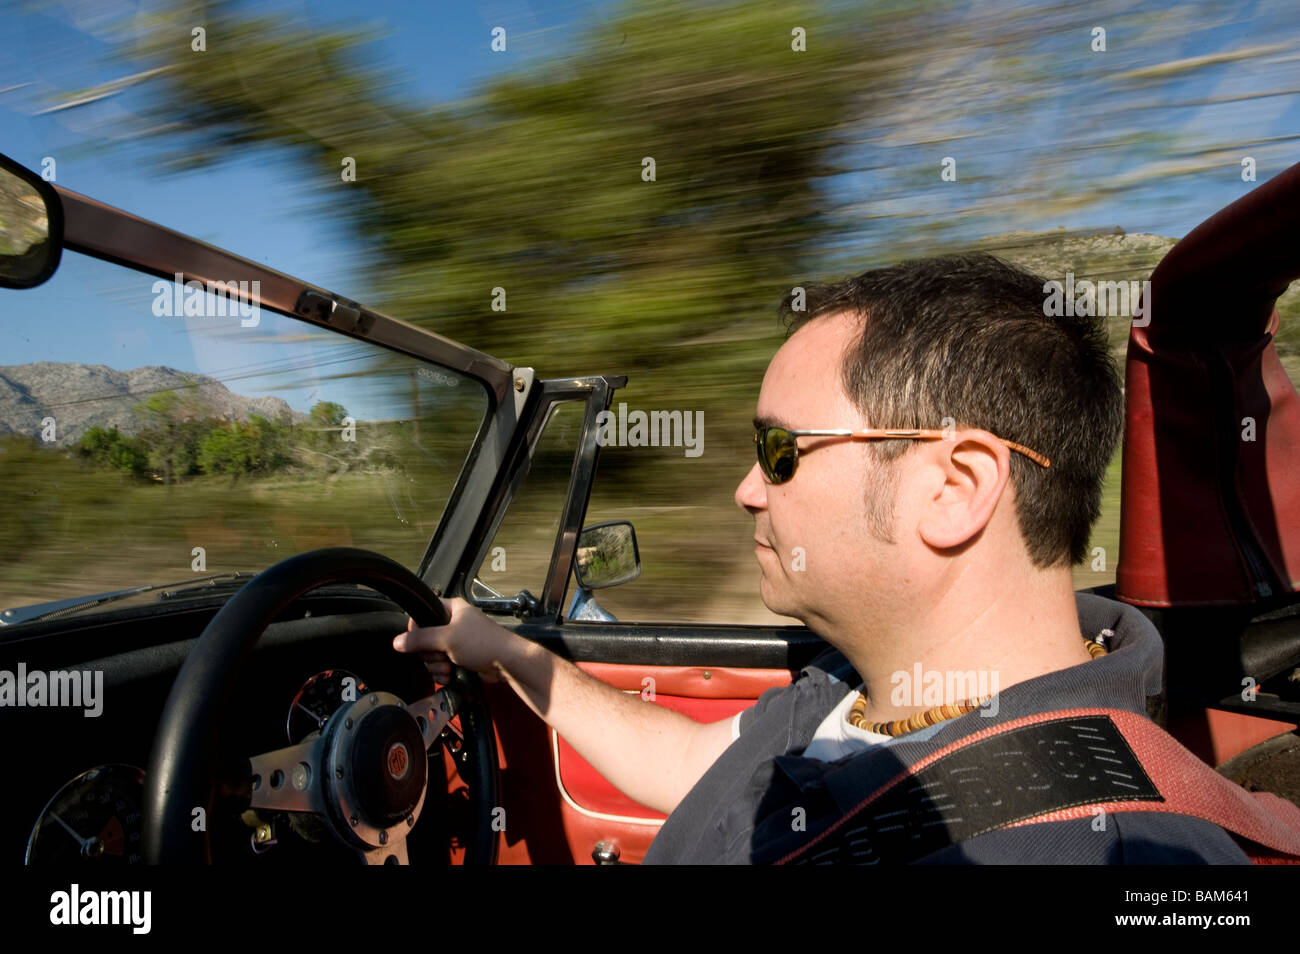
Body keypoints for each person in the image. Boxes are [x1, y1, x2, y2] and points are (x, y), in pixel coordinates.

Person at [392, 251, 1267, 864]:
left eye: (780, 452)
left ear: (955, 488)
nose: (745, 489)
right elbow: (698, 768)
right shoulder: (861, 685)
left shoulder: (1083, 845)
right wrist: (506, 651)